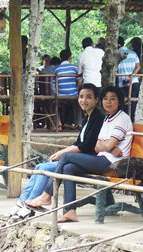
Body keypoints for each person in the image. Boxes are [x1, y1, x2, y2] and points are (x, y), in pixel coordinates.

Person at [26, 85, 132, 223]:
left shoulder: (122, 118)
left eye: (113, 99)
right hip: (102, 158)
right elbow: (97, 146)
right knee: (68, 168)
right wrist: (108, 147)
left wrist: (107, 146)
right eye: (105, 99)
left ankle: (47, 195)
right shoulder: (107, 119)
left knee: (66, 156)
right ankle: (70, 211)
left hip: (114, 163)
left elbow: (104, 145)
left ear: (119, 101)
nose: (108, 102)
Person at [8, 83, 103, 220]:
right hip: (76, 158)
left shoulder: (98, 118)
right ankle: (22, 202)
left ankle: (30, 206)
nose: (84, 100)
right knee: (39, 167)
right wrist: (62, 152)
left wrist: (61, 153)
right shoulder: (87, 118)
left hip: (86, 160)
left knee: (45, 168)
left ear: (96, 100)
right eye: (81, 97)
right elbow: (78, 143)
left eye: (88, 97)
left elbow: (87, 145)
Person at [54, 49, 79, 129]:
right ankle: (78, 123)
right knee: (78, 102)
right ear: (70, 57)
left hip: (60, 94)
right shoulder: (74, 67)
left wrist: (56, 92)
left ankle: (60, 123)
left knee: (55, 104)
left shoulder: (57, 69)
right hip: (73, 94)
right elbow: (78, 79)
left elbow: (54, 84)